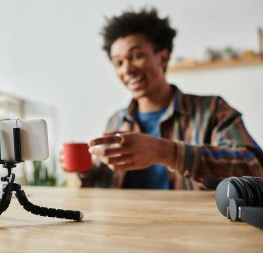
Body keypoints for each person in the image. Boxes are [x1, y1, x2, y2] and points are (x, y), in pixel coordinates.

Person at [64, 8, 263, 190]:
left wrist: (168, 152)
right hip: (125, 227)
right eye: (119, 62)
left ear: (163, 57)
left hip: (192, 227)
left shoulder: (213, 109)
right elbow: (104, 189)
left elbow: (255, 167)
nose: (127, 69)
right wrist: (85, 172)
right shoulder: (116, 120)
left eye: (136, 56)